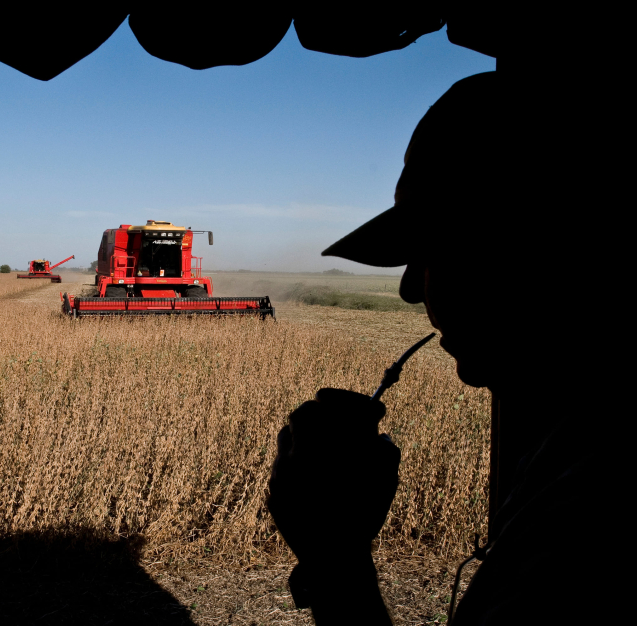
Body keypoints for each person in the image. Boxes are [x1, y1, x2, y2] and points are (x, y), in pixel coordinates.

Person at [267, 72, 625, 625]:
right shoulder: (567, 446)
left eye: (433, 250)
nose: (411, 287)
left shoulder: (591, 518)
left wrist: (335, 558)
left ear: (529, 244)